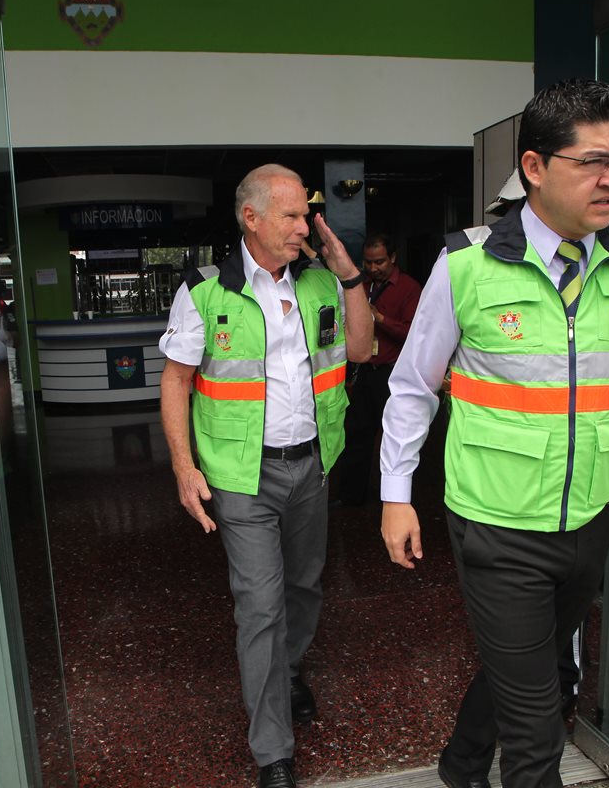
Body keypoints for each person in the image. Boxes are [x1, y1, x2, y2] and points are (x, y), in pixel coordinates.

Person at [378, 79, 609, 788]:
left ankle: (459, 766)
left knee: (532, 663)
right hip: (496, 525)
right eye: (591, 160)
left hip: (589, 521)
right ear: (533, 168)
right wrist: (395, 492)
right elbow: (411, 388)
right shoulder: (468, 265)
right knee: (537, 726)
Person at [158, 164, 372, 788]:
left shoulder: (321, 283)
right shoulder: (205, 291)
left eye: (307, 214)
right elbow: (175, 380)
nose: (306, 225)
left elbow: (360, 350)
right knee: (261, 605)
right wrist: (183, 466)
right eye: (292, 215)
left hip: (311, 464)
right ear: (250, 218)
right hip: (241, 476)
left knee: (305, 587)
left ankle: (291, 669)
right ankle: (272, 751)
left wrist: (348, 270)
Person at [335, 233, 421, 506]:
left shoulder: (409, 288)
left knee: (397, 441)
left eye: (380, 262)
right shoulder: (361, 285)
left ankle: (396, 502)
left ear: (393, 258)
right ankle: (352, 497)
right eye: (368, 262)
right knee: (357, 437)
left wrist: (379, 317)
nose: (373, 268)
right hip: (365, 372)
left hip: (393, 374)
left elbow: (413, 334)